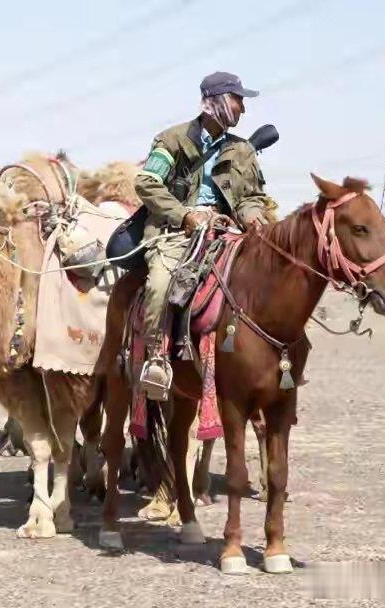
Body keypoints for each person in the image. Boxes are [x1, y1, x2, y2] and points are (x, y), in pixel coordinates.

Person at [134, 71, 277, 399]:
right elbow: (147, 183)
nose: (243, 109)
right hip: (175, 233)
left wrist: (253, 217)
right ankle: (156, 358)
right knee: (159, 281)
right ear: (219, 102)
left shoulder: (242, 150)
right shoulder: (172, 140)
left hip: (226, 231)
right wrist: (184, 214)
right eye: (239, 100)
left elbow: (251, 197)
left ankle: (276, 356)